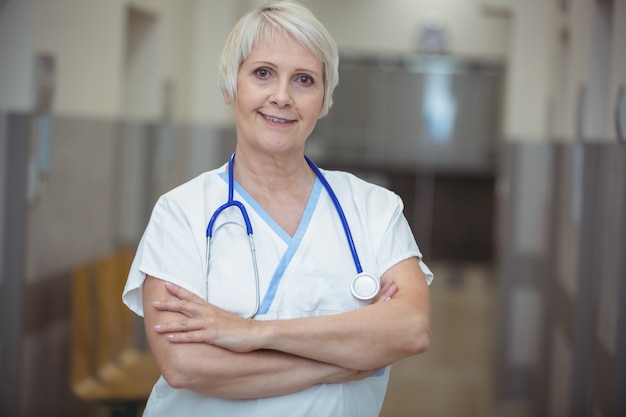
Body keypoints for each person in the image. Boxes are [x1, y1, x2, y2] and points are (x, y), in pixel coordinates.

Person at [122, 1, 433, 416]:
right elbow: (184, 365)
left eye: (304, 80)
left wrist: (247, 333)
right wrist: (341, 359)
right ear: (230, 85)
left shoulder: (374, 208)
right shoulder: (181, 213)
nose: (282, 97)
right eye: (263, 73)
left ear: (324, 99)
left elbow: (410, 328)